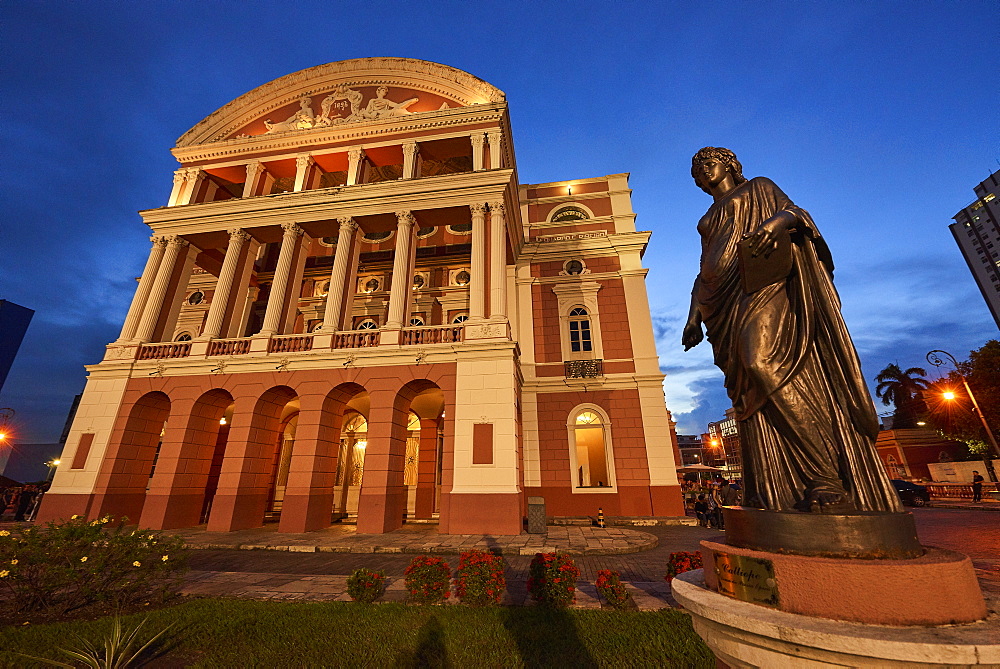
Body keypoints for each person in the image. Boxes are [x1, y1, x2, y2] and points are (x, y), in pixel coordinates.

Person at [682, 147, 903, 514]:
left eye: (710, 162)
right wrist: (693, 315)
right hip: (720, 302)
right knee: (748, 393)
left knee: (761, 363)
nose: (703, 170)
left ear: (730, 164)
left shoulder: (758, 188)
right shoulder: (708, 216)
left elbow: (795, 213)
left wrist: (775, 224)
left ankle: (826, 475)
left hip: (761, 284)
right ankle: (772, 487)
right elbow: (705, 265)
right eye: (697, 168)